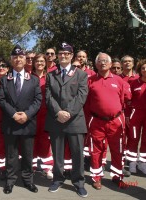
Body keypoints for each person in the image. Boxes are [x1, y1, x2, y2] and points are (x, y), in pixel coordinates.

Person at [45, 42, 88, 198]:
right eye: (61, 53)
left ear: (71, 55)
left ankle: (79, 183)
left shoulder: (81, 74)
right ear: (58, 55)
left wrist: (68, 113)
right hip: (56, 120)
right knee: (57, 153)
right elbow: (48, 97)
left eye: (66, 53)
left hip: (75, 120)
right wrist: (58, 113)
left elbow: (81, 96)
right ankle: (57, 179)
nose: (63, 56)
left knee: (78, 154)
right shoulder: (51, 75)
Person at [0, 44, 42, 194]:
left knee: (28, 155)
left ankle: (28, 180)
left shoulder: (34, 80)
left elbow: (38, 100)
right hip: (11, 122)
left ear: (25, 59)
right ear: (11, 60)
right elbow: (1, 100)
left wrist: (27, 114)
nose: (18, 59)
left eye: (21, 57)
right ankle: (10, 181)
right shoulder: (4, 80)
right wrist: (14, 114)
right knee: (11, 155)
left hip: (28, 123)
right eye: (15, 57)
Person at [87, 53, 131, 190]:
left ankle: (117, 177)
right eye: (99, 61)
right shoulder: (90, 80)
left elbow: (126, 100)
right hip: (96, 121)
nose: (103, 63)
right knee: (96, 151)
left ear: (111, 64)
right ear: (96, 64)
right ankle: (97, 178)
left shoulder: (119, 81)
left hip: (115, 121)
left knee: (118, 150)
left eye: (105, 61)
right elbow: (86, 101)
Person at [126, 59, 146, 175]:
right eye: (143, 68)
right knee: (133, 138)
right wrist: (127, 115)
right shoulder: (134, 83)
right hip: (135, 114)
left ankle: (143, 163)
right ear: (140, 71)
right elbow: (128, 100)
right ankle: (132, 162)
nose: (145, 70)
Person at [31, 54, 53, 179]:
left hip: (46, 114)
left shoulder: (50, 77)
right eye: (37, 61)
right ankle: (32, 167)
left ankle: (47, 167)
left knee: (45, 142)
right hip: (32, 114)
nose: (39, 63)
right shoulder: (29, 77)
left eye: (42, 61)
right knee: (32, 141)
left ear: (45, 63)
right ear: (33, 63)